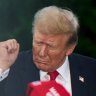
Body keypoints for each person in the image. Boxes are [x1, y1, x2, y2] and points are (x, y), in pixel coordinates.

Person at [0, 6, 96, 96]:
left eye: (51, 46)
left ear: (70, 48)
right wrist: (2, 68)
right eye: (38, 43)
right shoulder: (12, 67)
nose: (41, 53)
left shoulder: (91, 70)